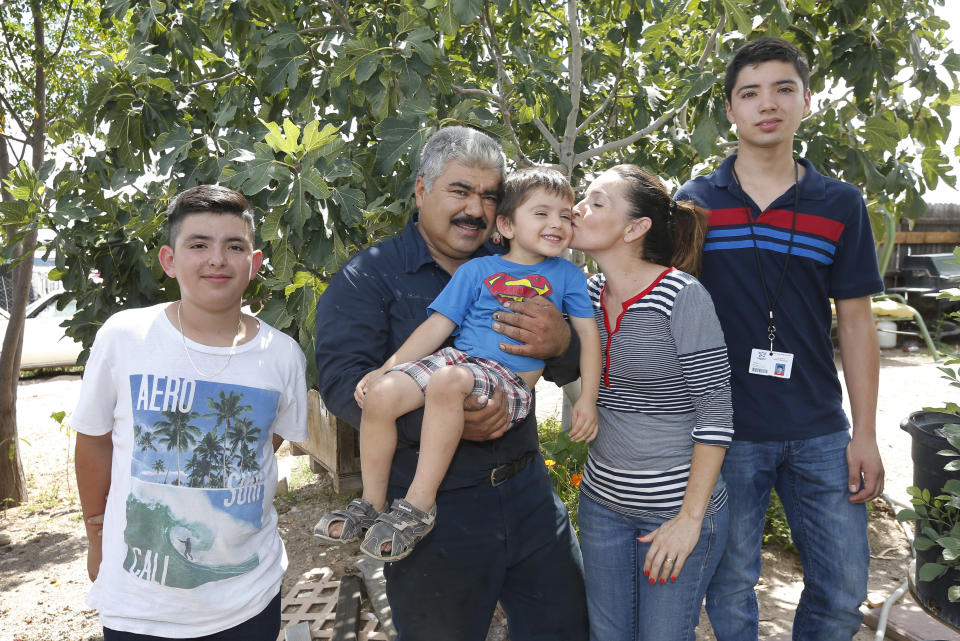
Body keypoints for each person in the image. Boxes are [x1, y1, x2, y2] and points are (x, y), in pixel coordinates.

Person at [314, 126, 590, 639]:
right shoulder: (368, 277)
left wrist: (560, 345)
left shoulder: (530, 266)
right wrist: (457, 419)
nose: (476, 210)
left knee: (566, 628)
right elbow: (344, 384)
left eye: (489, 196)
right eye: (460, 191)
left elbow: (571, 362)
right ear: (421, 190)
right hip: (437, 512)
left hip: (528, 493)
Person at [675, 36, 885, 640]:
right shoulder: (695, 203)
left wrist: (865, 432)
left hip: (819, 429)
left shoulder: (841, 203)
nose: (767, 104)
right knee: (731, 589)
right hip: (725, 432)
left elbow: (857, 321)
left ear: (806, 101)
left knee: (843, 592)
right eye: (750, 93)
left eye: (783, 89)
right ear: (731, 111)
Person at [73, 185, 308, 640]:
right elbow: (95, 439)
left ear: (254, 264)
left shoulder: (283, 356)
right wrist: (96, 533)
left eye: (234, 246)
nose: (216, 259)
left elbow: (264, 442)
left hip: (249, 597)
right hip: (138, 605)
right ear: (168, 260)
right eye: (198, 244)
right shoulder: (125, 336)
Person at [569, 165, 733, 641]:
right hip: (602, 505)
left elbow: (716, 413)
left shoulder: (682, 296)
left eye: (598, 202)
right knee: (608, 635)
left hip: (674, 511)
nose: (579, 208)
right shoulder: (587, 295)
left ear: (635, 228)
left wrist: (689, 521)